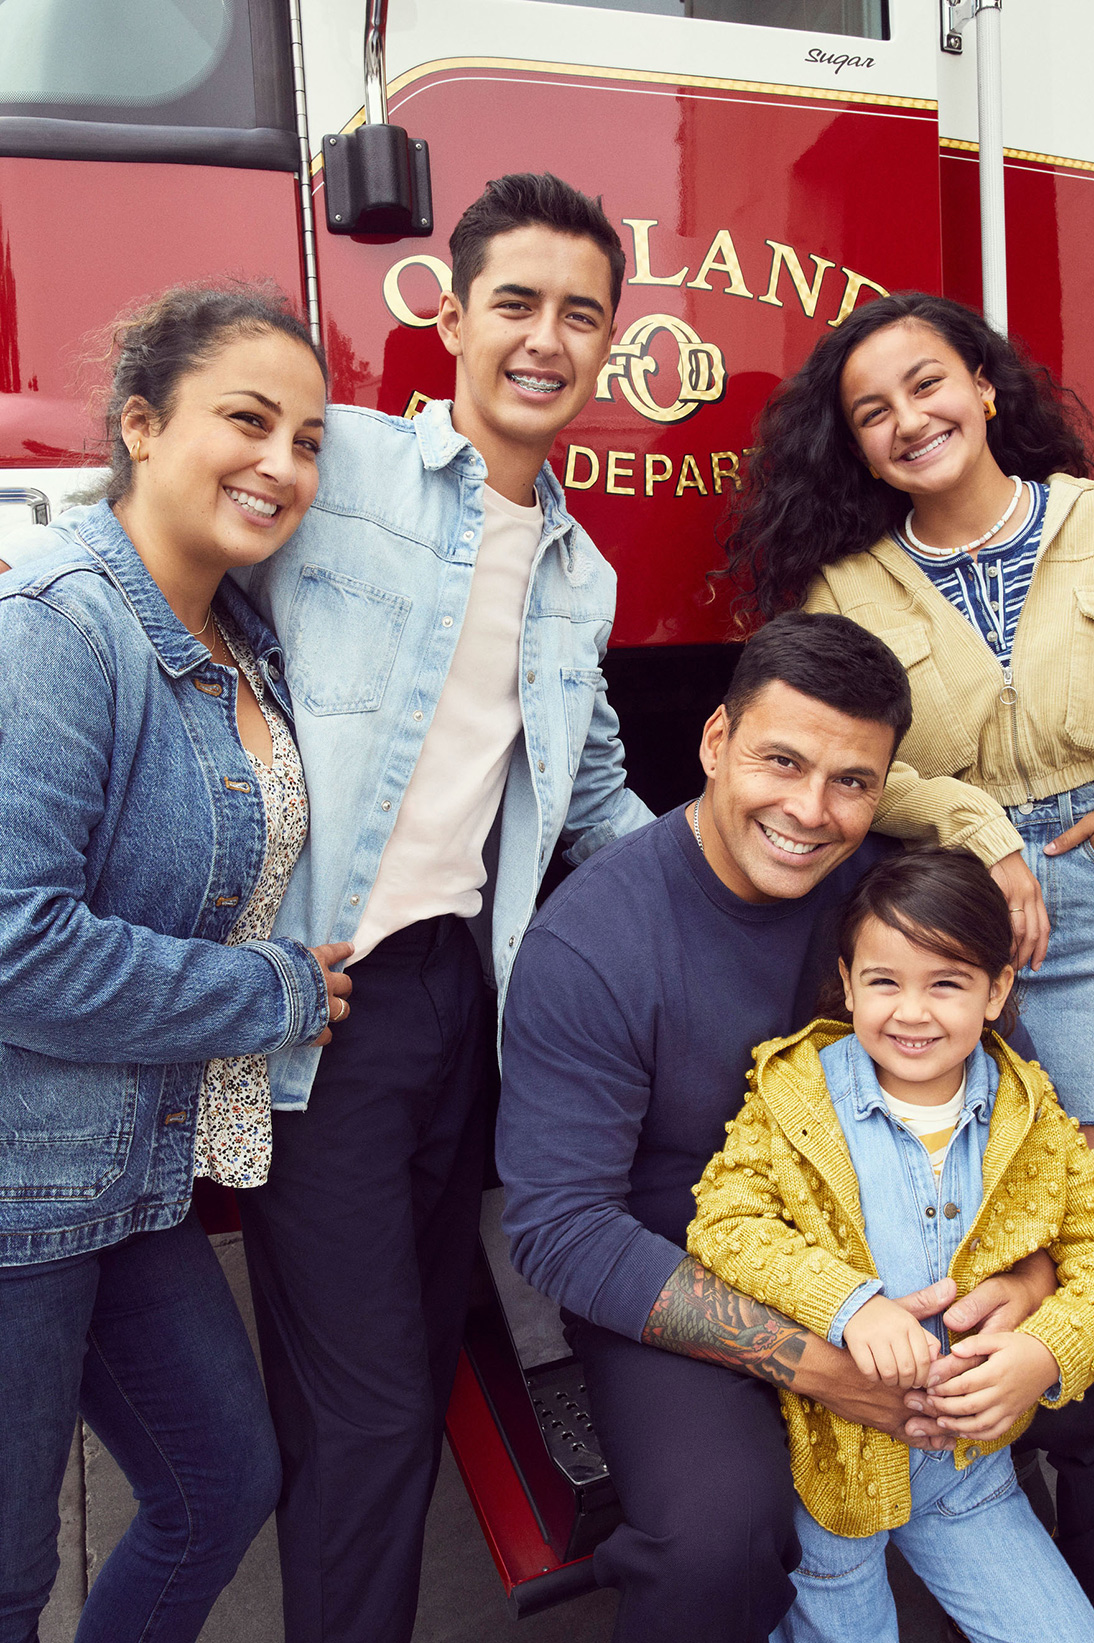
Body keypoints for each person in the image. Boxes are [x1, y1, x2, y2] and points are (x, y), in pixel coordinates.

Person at [2, 171, 651, 1643]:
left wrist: (763, 886)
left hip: (457, 1005)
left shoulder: (581, 573)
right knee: (357, 1413)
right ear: (454, 314)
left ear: (608, 343)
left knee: (413, 1374)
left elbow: (596, 791)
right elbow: (152, 586)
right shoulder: (336, 463)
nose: (547, 340)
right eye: (517, 304)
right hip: (318, 1001)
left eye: (583, 315)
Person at [497, 610, 1094, 1643]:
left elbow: (1006, 1097)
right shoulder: (591, 942)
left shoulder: (887, 887)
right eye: (779, 760)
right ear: (714, 742)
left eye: (851, 780)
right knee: (714, 1532)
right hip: (692, 1277)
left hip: (931, 1256)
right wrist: (812, 1359)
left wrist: (1028, 1279)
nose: (809, 809)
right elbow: (560, 1227)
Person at [718, 292, 1094, 1214]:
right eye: (873, 413)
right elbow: (834, 766)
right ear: (857, 445)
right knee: (957, 1218)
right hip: (944, 915)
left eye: (927, 386)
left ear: (986, 388)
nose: (910, 421)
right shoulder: (846, 587)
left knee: (1093, 1230)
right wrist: (971, 823)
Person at [0, 286, 352, 1643]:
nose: (281, 464)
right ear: (142, 424)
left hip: (131, 1175)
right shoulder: (57, 627)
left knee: (220, 1479)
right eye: (248, 421)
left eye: (309, 440)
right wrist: (269, 991)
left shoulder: (243, 634)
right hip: (22, 1182)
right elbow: (15, 939)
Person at [687, 849, 1094, 1643]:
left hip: (966, 1477)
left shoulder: (1025, 1109)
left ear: (997, 988)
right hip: (828, 1483)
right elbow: (725, 1226)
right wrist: (852, 1307)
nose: (913, 1011)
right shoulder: (796, 1093)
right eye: (884, 981)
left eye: (946, 983)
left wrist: (1044, 1352)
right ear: (846, 980)